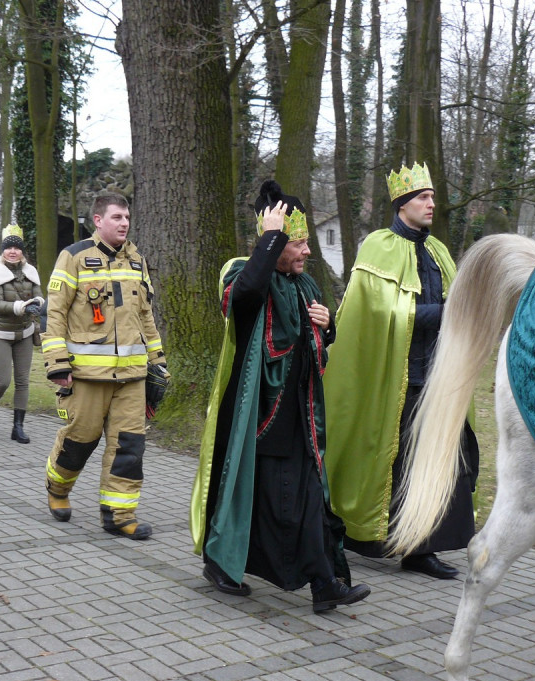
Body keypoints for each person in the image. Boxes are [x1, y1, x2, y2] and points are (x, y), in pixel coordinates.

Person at [189, 182, 370, 614]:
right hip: (259, 415)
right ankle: (221, 560)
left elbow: (315, 346)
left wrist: (328, 327)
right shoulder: (244, 271)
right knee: (262, 497)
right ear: (276, 241)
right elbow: (242, 299)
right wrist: (269, 239)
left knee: (305, 498)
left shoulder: (305, 285)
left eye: (307, 242)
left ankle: (324, 583)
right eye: (300, 243)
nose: (308, 252)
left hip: (303, 415)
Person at [323, 162, 479, 580]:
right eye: (423, 197)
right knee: (397, 462)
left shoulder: (439, 251)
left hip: (439, 376)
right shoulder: (379, 245)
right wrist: (447, 313)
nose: (431, 203)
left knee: (436, 463)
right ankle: (371, 536)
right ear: (402, 204)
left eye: (431, 196)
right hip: (397, 378)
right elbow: (380, 312)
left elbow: (459, 302)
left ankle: (421, 548)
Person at [41, 192, 167, 540]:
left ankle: (118, 514)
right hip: (86, 376)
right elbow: (54, 314)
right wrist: (57, 364)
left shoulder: (137, 259)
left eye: (126, 217)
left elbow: (146, 316)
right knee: (80, 441)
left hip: (132, 376)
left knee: (129, 446)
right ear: (98, 221)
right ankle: (57, 487)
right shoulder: (74, 257)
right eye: (116, 217)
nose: (124, 223)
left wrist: (158, 362)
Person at [0, 224, 43, 443]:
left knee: (23, 381)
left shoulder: (31, 272)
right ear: (3, 251)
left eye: (17, 247)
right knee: (3, 381)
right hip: (0, 332)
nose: (13, 251)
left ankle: (18, 427)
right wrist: (21, 307)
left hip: (24, 332)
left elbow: (38, 296)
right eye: (9, 248)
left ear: (22, 251)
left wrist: (38, 304)